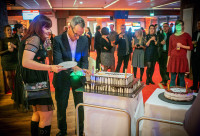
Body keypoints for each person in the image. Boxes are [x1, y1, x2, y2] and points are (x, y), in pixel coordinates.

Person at [19, 15, 66, 136]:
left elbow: (44, 52)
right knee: (46, 115)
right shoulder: (34, 38)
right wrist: (50, 67)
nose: (49, 31)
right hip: (35, 80)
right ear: (38, 27)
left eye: (49, 28)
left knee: (37, 113)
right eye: (46, 28)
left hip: (32, 79)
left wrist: (47, 43)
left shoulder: (34, 38)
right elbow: (26, 62)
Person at [53, 16, 91, 136]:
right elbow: (59, 61)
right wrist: (75, 68)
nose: (78, 37)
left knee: (79, 105)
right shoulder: (58, 40)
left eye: (80, 34)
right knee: (62, 104)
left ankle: (80, 131)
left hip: (78, 76)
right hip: (62, 76)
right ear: (69, 27)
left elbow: (85, 59)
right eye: (76, 34)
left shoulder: (84, 40)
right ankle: (62, 130)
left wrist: (83, 70)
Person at [167, 20, 193, 87]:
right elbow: (169, 50)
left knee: (181, 78)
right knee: (172, 78)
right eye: (177, 25)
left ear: (183, 26)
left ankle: (182, 95)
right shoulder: (171, 37)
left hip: (182, 59)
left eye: (180, 25)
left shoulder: (186, 35)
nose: (178, 27)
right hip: (173, 59)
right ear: (175, 26)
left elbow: (191, 47)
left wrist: (182, 46)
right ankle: (172, 93)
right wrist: (168, 61)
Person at [0, 25, 19, 95]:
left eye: (10, 30)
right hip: (6, 61)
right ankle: (13, 92)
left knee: (15, 76)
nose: (9, 31)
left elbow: (20, 49)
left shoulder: (15, 39)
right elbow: (0, 52)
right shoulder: (2, 40)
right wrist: (8, 50)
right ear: (5, 31)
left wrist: (14, 46)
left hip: (15, 60)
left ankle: (17, 90)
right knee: (8, 77)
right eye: (8, 30)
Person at [190, 19, 200, 92]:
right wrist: (192, 43)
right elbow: (191, 43)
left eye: (199, 24)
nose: (198, 26)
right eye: (198, 24)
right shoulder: (195, 33)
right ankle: (194, 85)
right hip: (194, 55)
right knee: (194, 71)